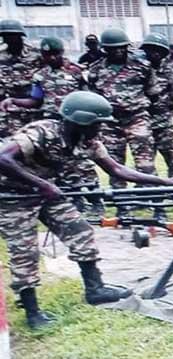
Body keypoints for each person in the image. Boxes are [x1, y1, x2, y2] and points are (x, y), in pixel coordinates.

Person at [0, 91, 173, 329]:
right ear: (81, 120)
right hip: (12, 197)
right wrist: (43, 185)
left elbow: (117, 170)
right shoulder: (42, 131)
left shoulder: (87, 142)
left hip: (46, 193)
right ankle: (32, 312)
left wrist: (166, 182)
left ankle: (95, 289)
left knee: (80, 232)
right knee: (24, 252)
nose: (101, 129)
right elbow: (3, 158)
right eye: (98, 124)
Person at [0, 37, 103, 216]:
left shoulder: (77, 72)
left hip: (79, 122)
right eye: (47, 55)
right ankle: (73, 202)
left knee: (85, 163)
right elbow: (35, 100)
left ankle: (96, 200)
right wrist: (14, 100)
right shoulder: (40, 75)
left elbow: (90, 98)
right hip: (53, 124)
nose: (51, 58)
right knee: (61, 166)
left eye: (55, 54)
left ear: (62, 53)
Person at [87, 28, 159, 215]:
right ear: (105, 49)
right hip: (110, 124)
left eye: (121, 48)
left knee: (146, 165)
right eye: (113, 48)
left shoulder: (143, 66)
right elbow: (93, 97)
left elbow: (153, 94)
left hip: (137, 119)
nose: (118, 51)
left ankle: (157, 206)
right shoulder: (96, 70)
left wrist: (136, 107)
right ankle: (122, 208)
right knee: (115, 165)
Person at [140, 33, 173, 184]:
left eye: (158, 50)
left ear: (164, 53)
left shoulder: (171, 72)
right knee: (145, 165)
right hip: (142, 124)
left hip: (165, 124)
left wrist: (170, 109)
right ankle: (154, 200)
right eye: (150, 50)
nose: (154, 53)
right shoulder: (138, 70)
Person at [0, 19, 42, 138]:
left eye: (13, 35)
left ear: (20, 36)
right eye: (6, 36)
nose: (9, 39)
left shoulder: (36, 54)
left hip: (33, 102)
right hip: (9, 105)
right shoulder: (1, 55)